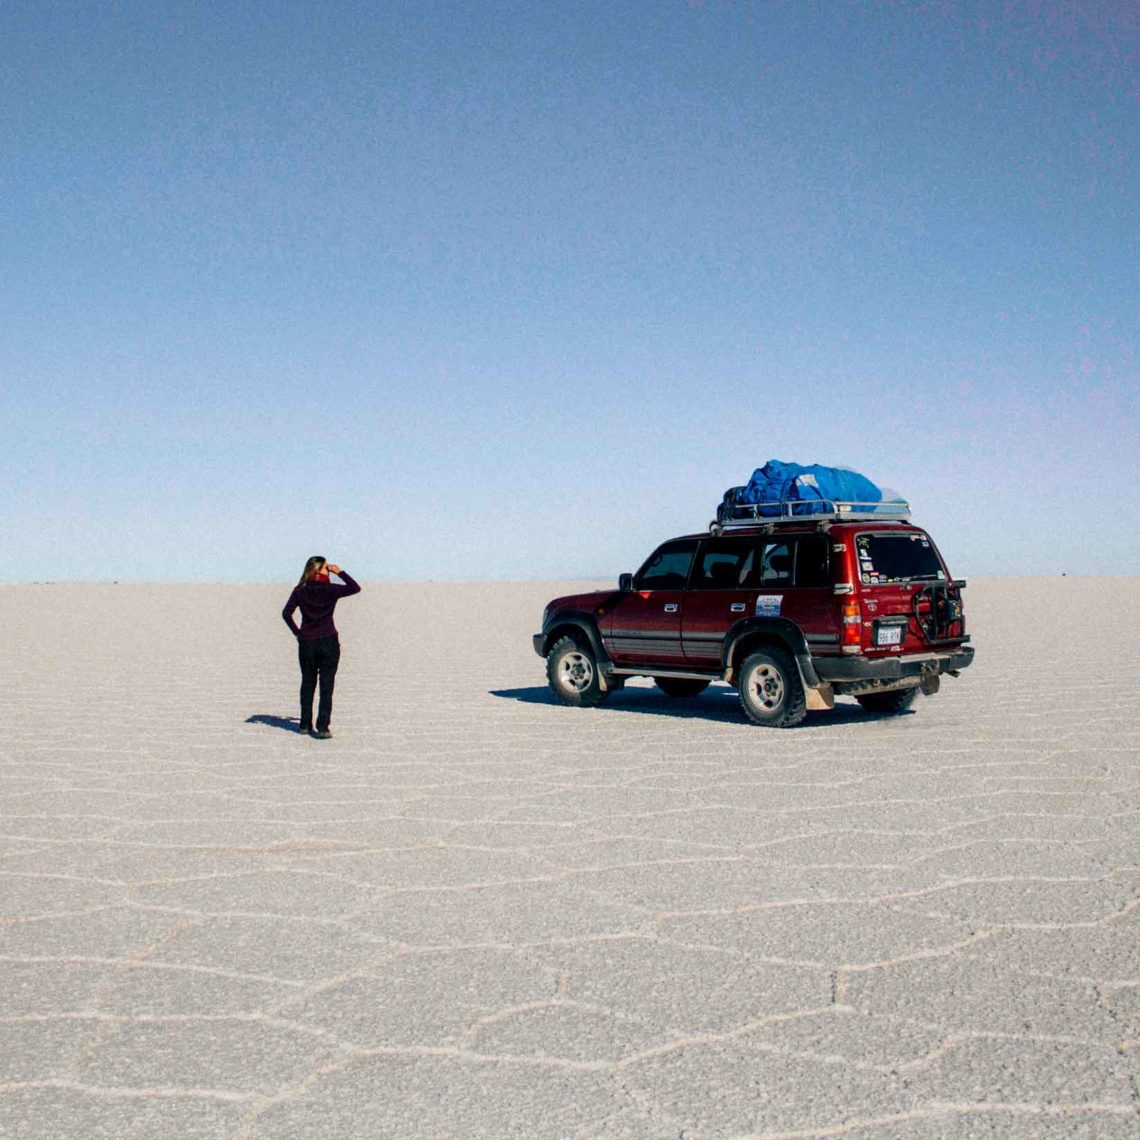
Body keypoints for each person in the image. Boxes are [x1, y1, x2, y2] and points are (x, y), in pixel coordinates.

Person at [281, 556, 361, 738]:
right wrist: (339, 571)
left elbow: (286, 613)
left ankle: (304, 724)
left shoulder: (300, 590)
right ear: (319, 570)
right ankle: (323, 727)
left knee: (307, 683)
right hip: (328, 641)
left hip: (307, 643)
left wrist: (298, 633)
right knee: (327, 684)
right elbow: (355, 588)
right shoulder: (331, 589)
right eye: (327, 568)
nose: (329, 570)